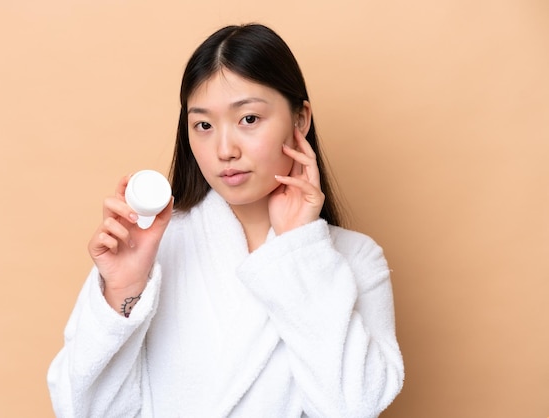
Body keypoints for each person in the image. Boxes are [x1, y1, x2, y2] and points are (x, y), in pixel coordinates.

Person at [47, 23, 404, 418]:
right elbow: (81, 410)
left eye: (249, 119)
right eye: (203, 125)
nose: (224, 149)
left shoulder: (356, 259)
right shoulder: (149, 249)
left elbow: (354, 408)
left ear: (300, 119)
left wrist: (298, 249)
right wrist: (122, 292)